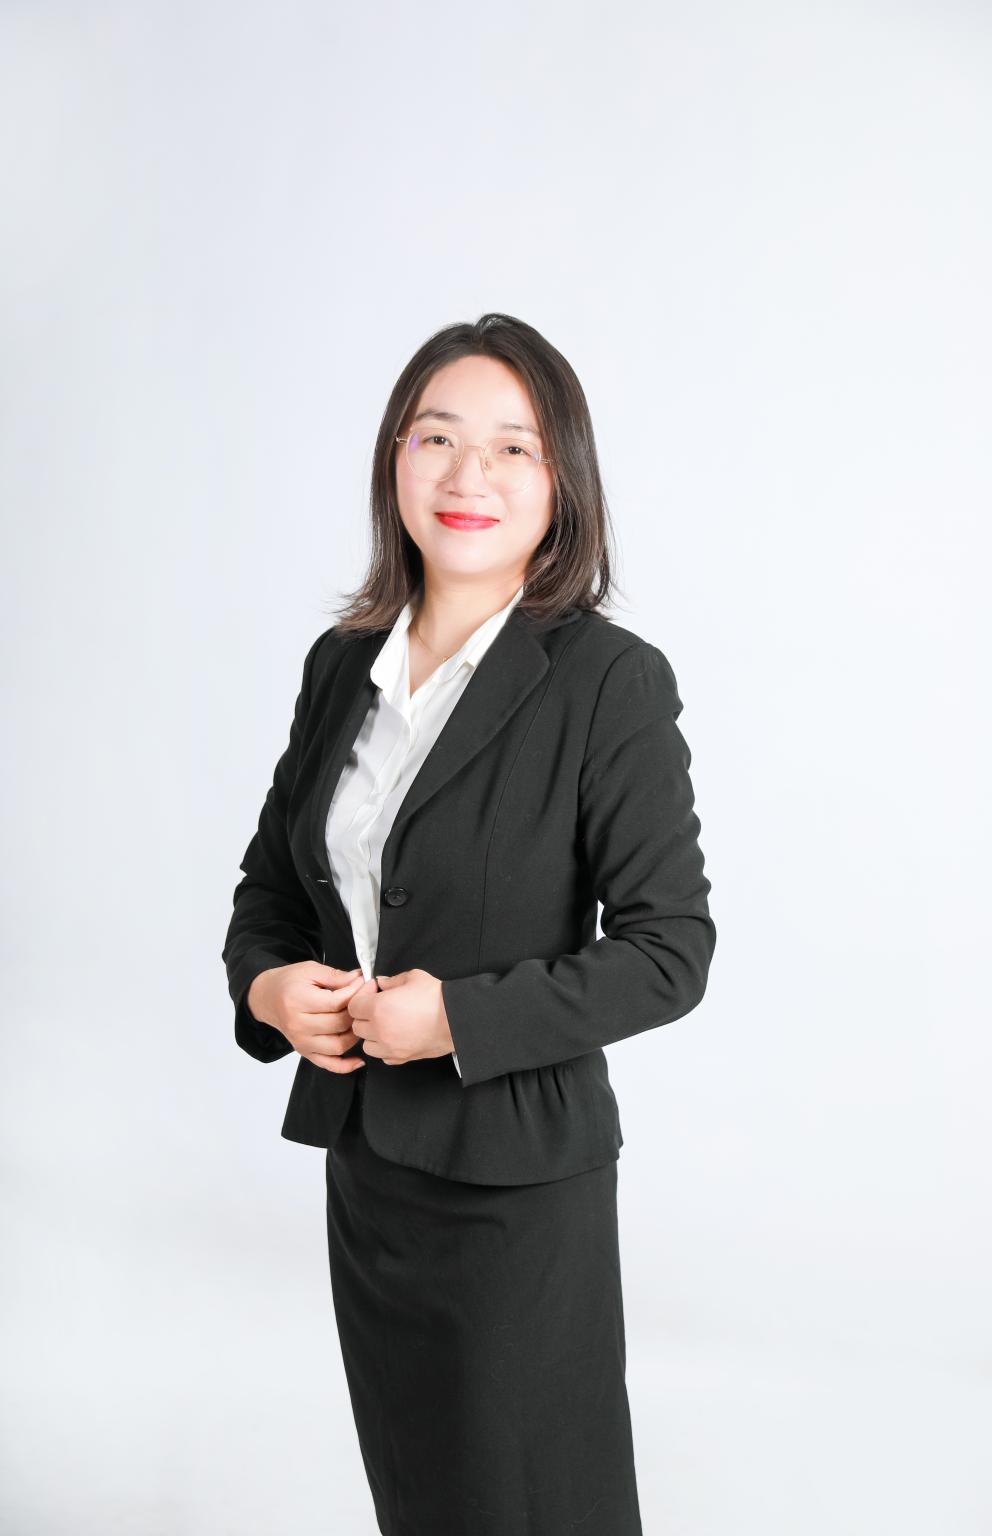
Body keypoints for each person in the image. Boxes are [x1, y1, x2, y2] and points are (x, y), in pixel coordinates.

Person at [221, 311, 716, 1535]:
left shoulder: (607, 681)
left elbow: (669, 950)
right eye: (436, 437)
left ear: (562, 482)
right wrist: (271, 989)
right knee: (422, 1500)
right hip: (366, 1168)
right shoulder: (340, 666)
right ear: (395, 460)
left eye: (512, 447)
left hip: (516, 1187)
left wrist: (456, 1019)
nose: (467, 475)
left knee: (535, 1506)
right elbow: (271, 891)